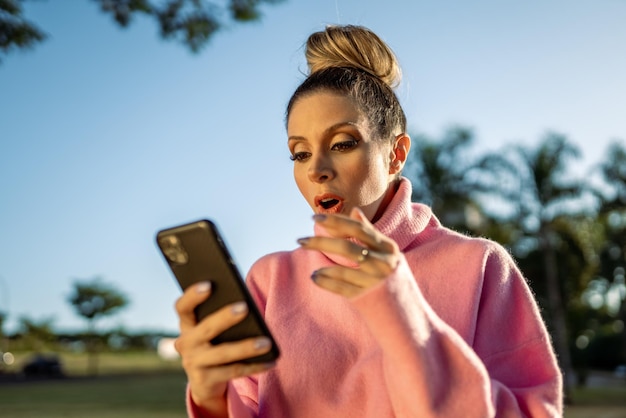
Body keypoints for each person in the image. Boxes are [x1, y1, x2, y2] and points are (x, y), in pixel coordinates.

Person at [174, 24, 563, 417]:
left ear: (396, 154)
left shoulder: (480, 265)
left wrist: (402, 313)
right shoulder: (269, 281)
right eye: (300, 153)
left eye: (342, 143)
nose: (317, 170)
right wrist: (210, 401)